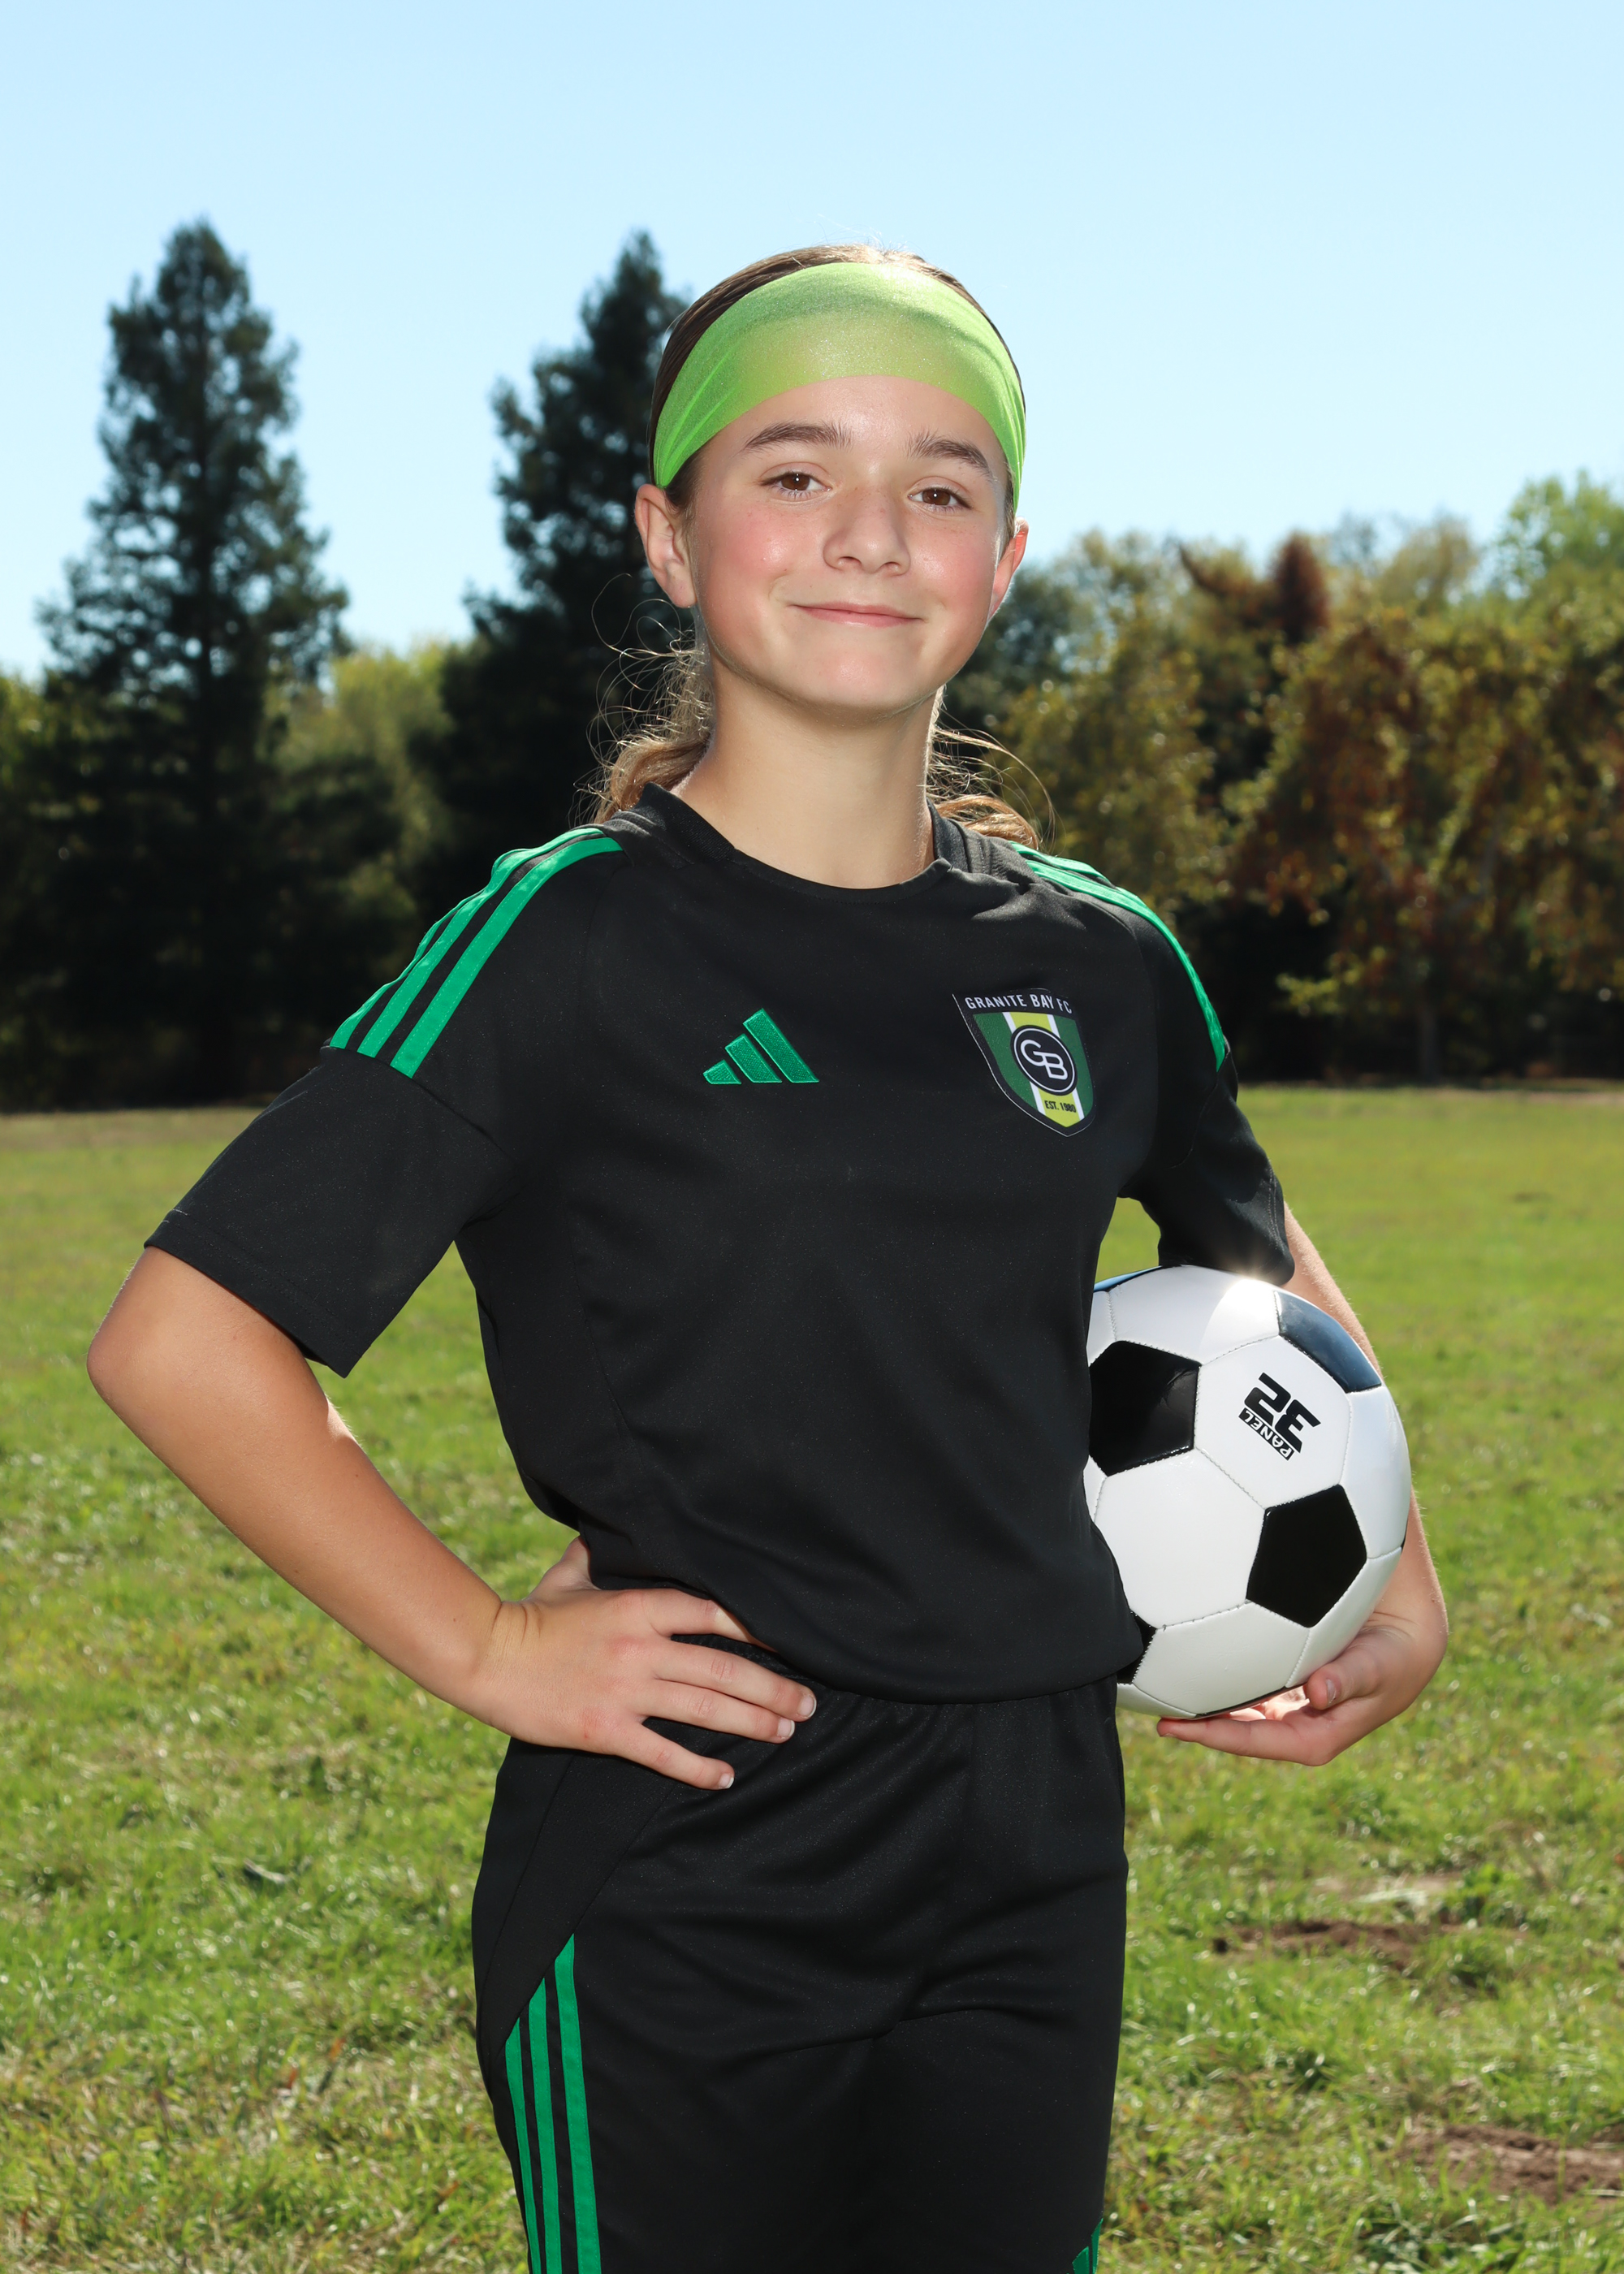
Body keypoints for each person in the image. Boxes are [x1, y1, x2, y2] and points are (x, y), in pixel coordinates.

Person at [89, 244, 1448, 2274]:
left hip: (1032, 1839)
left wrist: (1397, 1577)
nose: (869, 533)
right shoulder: (563, 941)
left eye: (939, 484)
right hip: (690, 1844)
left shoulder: (1102, 962)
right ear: (668, 534)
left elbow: (1254, 1261)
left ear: (1004, 557)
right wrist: (487, 1647)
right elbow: (183, 1335)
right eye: (794, 472)